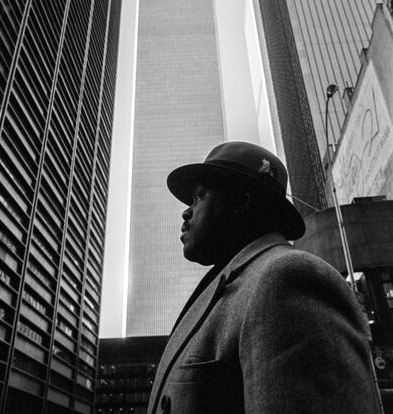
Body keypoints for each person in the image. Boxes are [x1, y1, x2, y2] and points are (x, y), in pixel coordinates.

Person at [147, 141, 381, 414]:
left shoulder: (288, 279)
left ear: (241, 201)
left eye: (199, 196)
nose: (186, 211)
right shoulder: (232, 288)